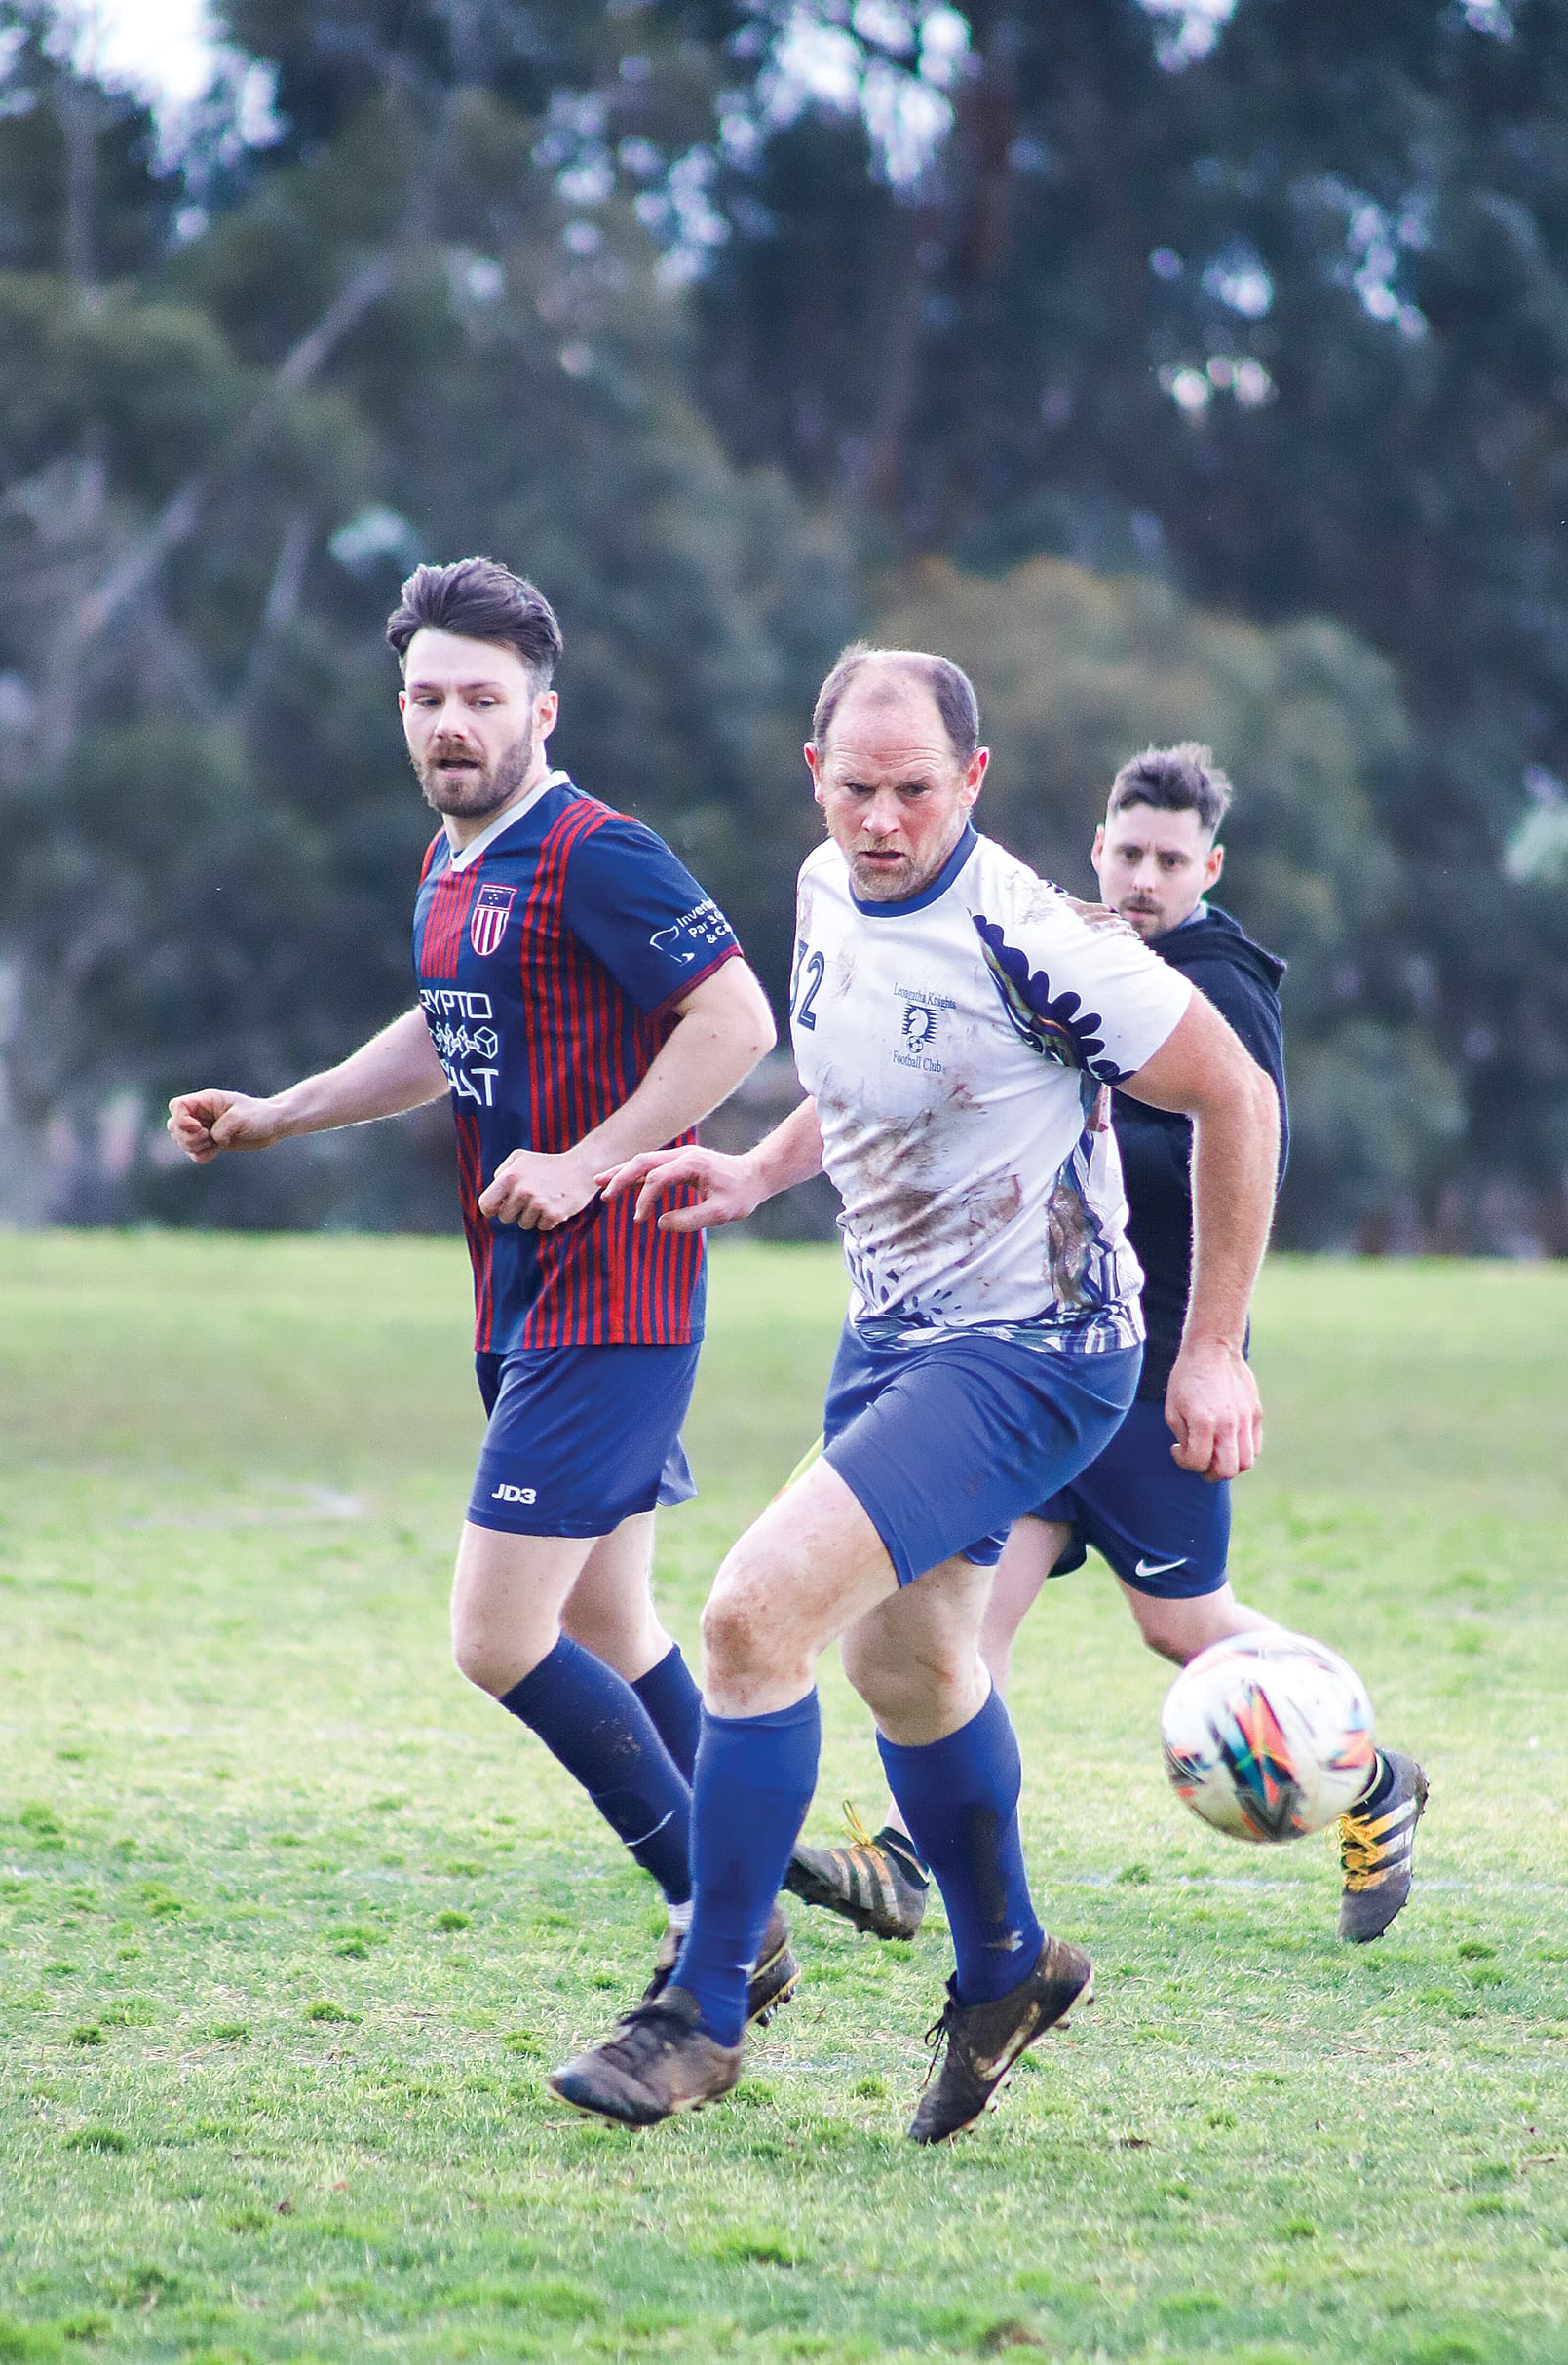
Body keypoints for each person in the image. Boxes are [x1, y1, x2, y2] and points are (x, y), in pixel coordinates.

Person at [547, 647, 1280, 2142]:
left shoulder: (1045, 936)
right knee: (917, 1675)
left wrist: (1214, 1349)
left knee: (753, 1615)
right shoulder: (826, 885)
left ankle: (703, 2010)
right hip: (893, 1328)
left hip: (1038, 1346)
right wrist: (758, 1166)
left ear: (977, 782)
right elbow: (875, 1065)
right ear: (812, 771)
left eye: (917, 792)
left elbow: (1236, 1097)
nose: (884, 821)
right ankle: (1007, 1966)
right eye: (858, 787)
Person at [166, 556, 793, 1997]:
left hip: (614, 1296)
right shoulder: (455, 859)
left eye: (483, 699)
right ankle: (764, 1863)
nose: (453, 722)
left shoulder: (595, 848)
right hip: (519, 1298)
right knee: (606, 1622)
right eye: (430, 698)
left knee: (495, 1637)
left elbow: (735, 1018)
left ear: (543, 710)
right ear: (403, 707)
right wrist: (284, 1110)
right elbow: (447, 1028)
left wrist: (586, 1161)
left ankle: (727, 1917)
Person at [786, 741, 1427, 1949]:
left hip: (1147, 1365)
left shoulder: (1208, 985)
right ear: (1096, 847)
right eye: (1127, 853)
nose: (1143, 879)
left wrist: (1215, 1351)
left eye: (1170, 862)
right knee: (971, 1621)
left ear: (1209, 868)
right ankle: (913, 1860)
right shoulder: (1065, 947)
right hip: (1030, 1350)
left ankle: (1375, 1778)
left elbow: (1241, 1135)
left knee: (1179, 1625)